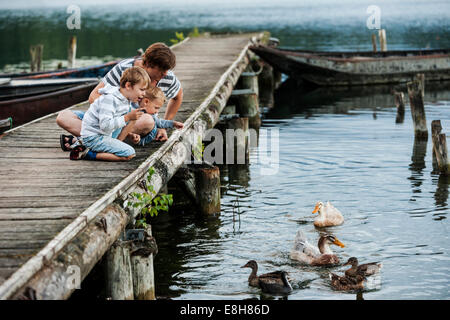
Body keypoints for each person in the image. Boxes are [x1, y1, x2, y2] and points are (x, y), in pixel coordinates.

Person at [57, 42, 183, 150]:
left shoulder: (168, 78)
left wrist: (163, 128)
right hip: (110, 119)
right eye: (162, 70)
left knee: (147, 121)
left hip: (135, 123)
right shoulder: (125, 69)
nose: (166, 73)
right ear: (148, 63)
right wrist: (113, 113)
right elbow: (93, 96)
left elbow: (178, 96)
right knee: (63, 117)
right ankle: (95, 141)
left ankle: (85, 141)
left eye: (167, 69)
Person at [69, 66, 149, 161]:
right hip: (94, 137)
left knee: (129, 113)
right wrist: (127, 117)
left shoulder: (125, 100)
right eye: (142, 89)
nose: (144, 94)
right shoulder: (110, 99)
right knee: (129, 153)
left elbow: (115, 123)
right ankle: (88, 153)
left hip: (105, 135)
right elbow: (105, 125)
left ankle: (82, 144)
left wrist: (130, 134)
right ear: (128, 86)